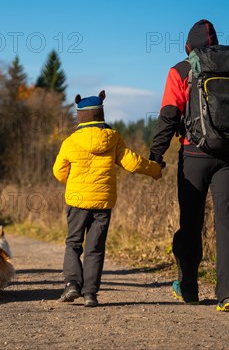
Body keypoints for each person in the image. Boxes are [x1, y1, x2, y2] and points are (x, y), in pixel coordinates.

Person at [149, 19, 229, 312]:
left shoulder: (181, 70)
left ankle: (189, 288)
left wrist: (155, 156)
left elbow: (169, 116)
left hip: (193, 156)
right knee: (228, 223)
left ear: (189, 47)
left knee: (191, 223)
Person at [53, 90, 162, 307]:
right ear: (101, 114)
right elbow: (132, 163)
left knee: (74, 243)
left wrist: (74, 182)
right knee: (96, 247)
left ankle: (72, 285)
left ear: (80, 116)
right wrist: (155, 169)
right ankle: (90, 293)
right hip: (103, 202)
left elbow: (58, 171)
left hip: (76, 200)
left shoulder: (70, 142)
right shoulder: (113, 138)